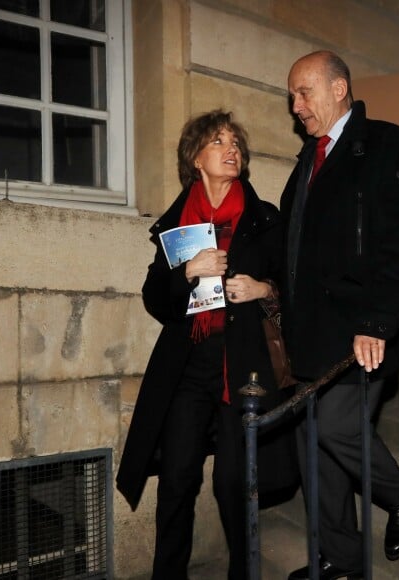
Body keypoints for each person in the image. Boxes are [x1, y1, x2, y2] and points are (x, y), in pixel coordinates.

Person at [116, 110, 298, 580]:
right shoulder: (175, 226)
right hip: (189, 364)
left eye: (235, 141)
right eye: (219, 141)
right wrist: (188, 272)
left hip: (243, 364)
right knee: (177, 479)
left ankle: (244, 572)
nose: (231, 148)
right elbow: (155, 298)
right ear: (196, 158)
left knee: (233, 482)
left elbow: (292, 287)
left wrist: (264, 291)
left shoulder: (265, 220)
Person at [280, 51, 399, 579]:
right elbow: (296, 249)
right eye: (293, 95)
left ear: (339, 88)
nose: (296, 106)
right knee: (313, 450)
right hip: (309, 336)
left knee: (339, 428)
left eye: (304, 92)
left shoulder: (387, 142)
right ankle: (340, 560)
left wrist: (379, 320)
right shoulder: (306, 162)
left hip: (360, 329)